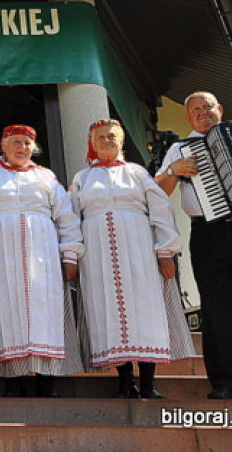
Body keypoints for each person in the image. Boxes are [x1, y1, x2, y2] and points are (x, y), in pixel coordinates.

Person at [70, 119, 193, 398]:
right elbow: (70, 218)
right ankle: (126, 381)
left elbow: (160, 210)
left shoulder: (137, 173)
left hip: (139, 251)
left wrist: (165, 252)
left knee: (145, 310)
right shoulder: (82, 178)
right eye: (100, 137)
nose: (106, 141)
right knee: (110, 312)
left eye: (112, 136)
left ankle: (149, 383)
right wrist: (72, 256)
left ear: (121, 141)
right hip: (98, 253)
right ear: (92, 142)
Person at [155, 91, 232, 400]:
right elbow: (158, 192)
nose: (203, 113)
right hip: (207, 233)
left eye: (208, 107)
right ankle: (224, 383)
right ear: (187, 117)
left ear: (220, 109)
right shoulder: (179, 149)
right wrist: (174, 170)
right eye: (196, 110)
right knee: (217, 309)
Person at [0, 124, 83, 397]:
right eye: (16, 142)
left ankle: (47, 380)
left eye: (26, 143)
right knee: (7, 311)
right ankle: (13, 379)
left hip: (42, 253)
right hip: (2, 254)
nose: (21, 148)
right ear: (3, 145)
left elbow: (66, 216)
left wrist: (70, 254)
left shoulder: (45, 177)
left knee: (45, 311)